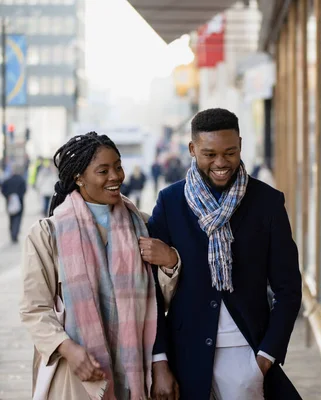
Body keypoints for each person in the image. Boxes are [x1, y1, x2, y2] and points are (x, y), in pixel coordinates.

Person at [143, 108, 302, 399]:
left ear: (240, 145)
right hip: (185, 355)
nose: (220, 163)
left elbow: (288, 287)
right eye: (209, 154)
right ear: (192, 149)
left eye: (230, 153)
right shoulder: (170, 203)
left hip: (248, 353)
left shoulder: (267, 202)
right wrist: (160, 361)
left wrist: (265, 357)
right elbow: (150, 291)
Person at [18, 132, 179, 400]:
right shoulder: (48, 234)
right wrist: (66, 347)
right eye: (103, 170)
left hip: (134, 370)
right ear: (79, 178)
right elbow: (35, 308)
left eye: (118, 166)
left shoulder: (143, 226)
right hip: (76, 372)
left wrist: (170, 262)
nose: (115, 176)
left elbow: (161, 301)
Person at [2, 164, 27, 244]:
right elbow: (24, 190)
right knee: (18, 219)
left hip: (9, 203)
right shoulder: (21, 180)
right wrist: (18, 196)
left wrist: (8, 196)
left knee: (11, 219)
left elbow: (3, 190)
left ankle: (12, 234)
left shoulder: (7, 180)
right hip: (20, 202)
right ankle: (15, 234)